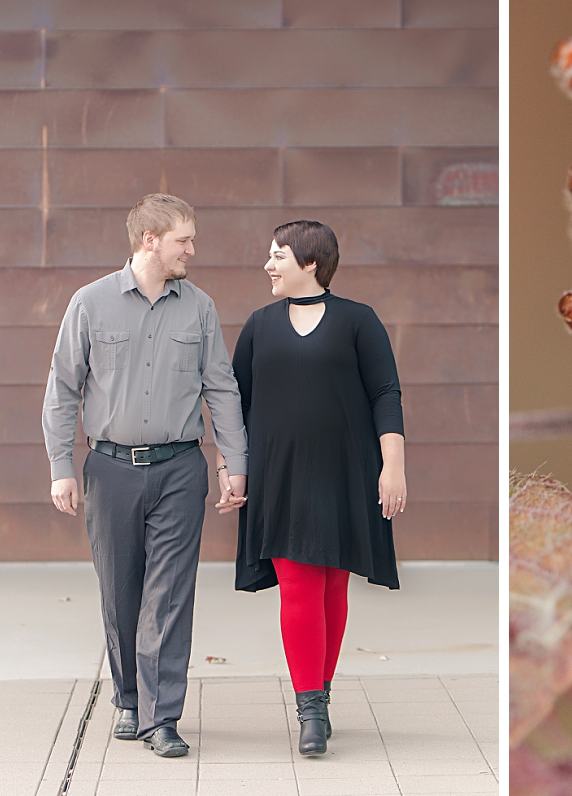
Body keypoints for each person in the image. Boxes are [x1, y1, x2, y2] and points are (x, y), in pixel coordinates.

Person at [43, 194, 248, 758]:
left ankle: (163, 717)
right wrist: (62, 468)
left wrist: (235, 461)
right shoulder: (90, 303)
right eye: (184, 239)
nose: (192, 249)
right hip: (109, 470)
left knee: (171, 594)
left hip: (181, 467)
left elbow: (221, 388)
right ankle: (129, 699)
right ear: (150, 240)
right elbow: (63, 389)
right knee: (120, 591)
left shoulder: (199, 307)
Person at [218, 220, 406, 757]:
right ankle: (310, 708)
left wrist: (392, 466)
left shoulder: (358, 321)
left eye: (278, 256)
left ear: (310, 263)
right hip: (279, 475)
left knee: (333, 587)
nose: (268, 265)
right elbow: (235, 405)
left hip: (346, 470)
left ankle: (320, 690)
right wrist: (230, 468)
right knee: (298, 582)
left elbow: (385, 393)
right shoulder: (259, 325)